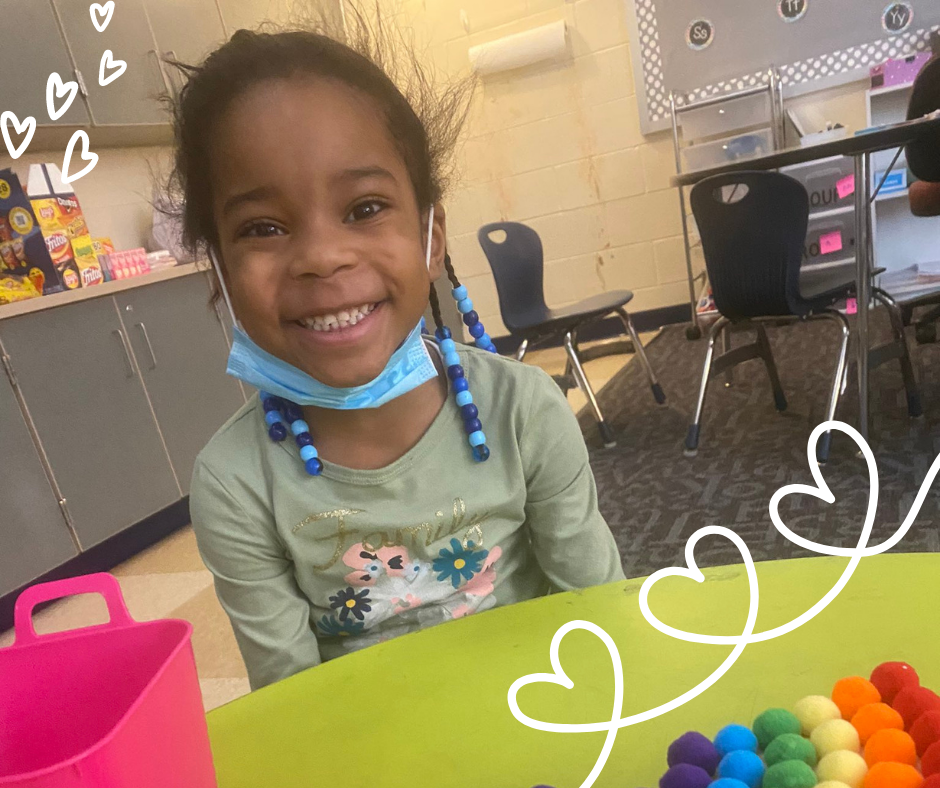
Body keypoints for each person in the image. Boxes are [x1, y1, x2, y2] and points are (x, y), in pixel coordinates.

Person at [169, 13, 625, 691]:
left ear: (431, 235)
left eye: (364, 208)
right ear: (218, 274)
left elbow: (605, 625)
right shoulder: (236, 484)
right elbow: (292, 702)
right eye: (263, 227)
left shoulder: (525, 412)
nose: (322, 258)